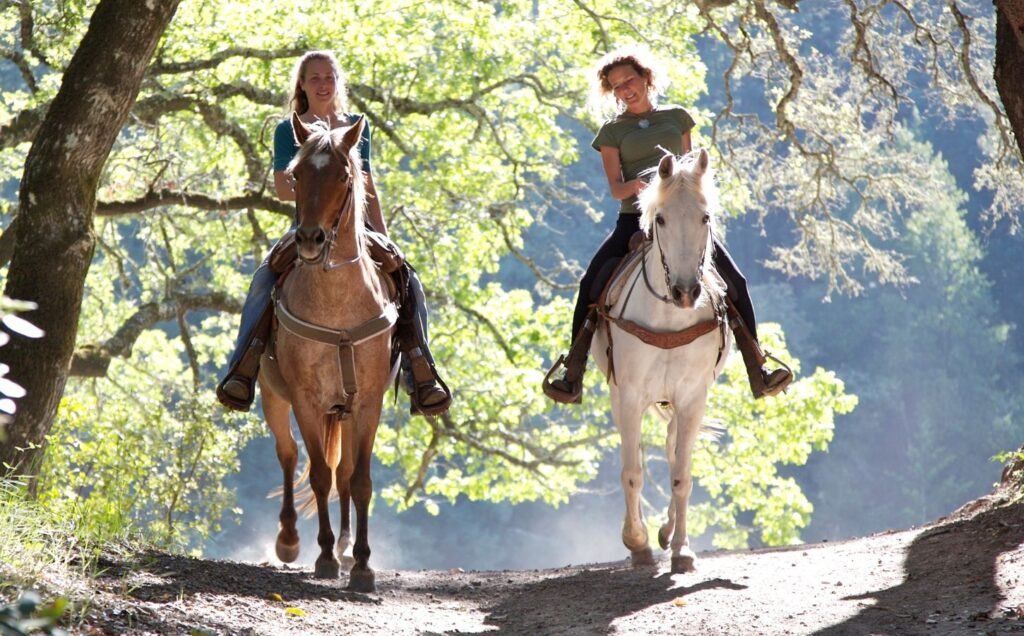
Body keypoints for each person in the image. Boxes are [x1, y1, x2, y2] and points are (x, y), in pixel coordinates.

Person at [543, 46, 792, 404]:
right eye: (616, 86)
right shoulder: (612, 132)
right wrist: (651, 185)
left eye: (629, 80)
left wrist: (678, 191)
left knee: (736, 281)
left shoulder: (677, 118)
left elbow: (690, 173)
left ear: (646, 78)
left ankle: (758, 365)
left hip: (681, 219)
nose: (625, 89)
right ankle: (574, 369)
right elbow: (616, 189)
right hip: (635, 220)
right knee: (590, 283)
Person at [217, 50, 452, 417]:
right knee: (263, 279)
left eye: (329, 77)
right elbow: (281, 189)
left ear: (338, 82)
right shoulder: (288, 129)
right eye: (315, 78)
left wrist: (385, 235)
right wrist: (318, 181)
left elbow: (369, 185)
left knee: (410, 281)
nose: (323, 84)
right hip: (308, 226)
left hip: (357, 228)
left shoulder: (357, 125)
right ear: (303, 84)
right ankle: (242, 368)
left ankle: (420, 371)